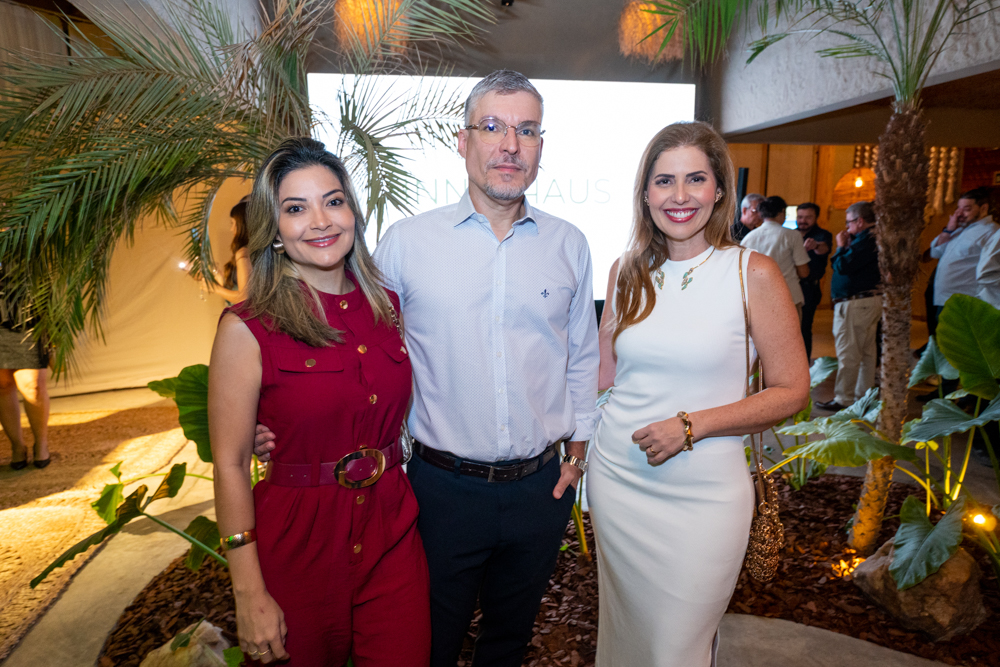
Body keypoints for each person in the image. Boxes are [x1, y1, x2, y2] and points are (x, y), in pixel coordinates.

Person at [255, 70, 599, 667]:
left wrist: (577, 454)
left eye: (526, 130)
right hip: (441, 490)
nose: (509, 144)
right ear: (463, 143)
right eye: (491, 127)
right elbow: (359, 350)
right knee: (426, 644)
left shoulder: (569, 244)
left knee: (509, 642)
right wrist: (279, 420)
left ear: (542, 146)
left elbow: (581, 355)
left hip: (542, 489)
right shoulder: (406, 245)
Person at [588, 121, 809, 666]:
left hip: (705, 494)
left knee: (675, 647)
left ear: (719, 190)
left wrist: (692, 425)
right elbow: (602, 377)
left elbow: (792, 391)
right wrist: (576, 450)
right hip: (618, 481)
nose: (680, 196)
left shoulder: (750, 273)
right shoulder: (626, 272)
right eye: (664, 181)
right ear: (645, 193)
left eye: (695, 179)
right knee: (629, 637)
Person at [209, 138, 430, 666]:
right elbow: (231, 462)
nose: (320, 221)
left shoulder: (389, 307)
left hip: (392, 529)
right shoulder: (247, 328)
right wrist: (248, 593)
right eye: (295, 208)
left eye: (333, 201)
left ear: (352, 210)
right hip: (297, 540)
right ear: (275, 231)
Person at [816, 201, 882, 412]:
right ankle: (864, 397)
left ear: (860, 221)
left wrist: (841, 246)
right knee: (866, 352)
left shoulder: (866, 240)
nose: (847, 227)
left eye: (849, 222)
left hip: (856, 304)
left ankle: (844, 398)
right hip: (867, 302)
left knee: (849, 353)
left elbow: (843, 266)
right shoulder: (871, 238)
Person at [926, 187, 998, 315]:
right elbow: (935, 253)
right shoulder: (958, 230)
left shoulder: (992, 232)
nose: (959, 214)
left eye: (966, 209)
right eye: (958, 209)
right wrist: (949, 229)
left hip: (966, 302)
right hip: (942, 298)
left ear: (983, 208)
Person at [740, 195, 811, 319]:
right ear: (782, 212)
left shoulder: (749, 238)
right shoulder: (792, 235)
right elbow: (804, 272)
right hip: (788, 295)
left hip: (758, 297)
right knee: (789, 337)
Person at [0, 315, 51, 470]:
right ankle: (17, 446)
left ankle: (41, 443)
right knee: (2, 385)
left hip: (28, 310)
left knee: (33, 386)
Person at [196, 196, 252, 304]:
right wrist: (219, 280)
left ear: (241, 225)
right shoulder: (252, 251)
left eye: (232, 224)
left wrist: (215, 288)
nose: (231, 229)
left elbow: (244, 297)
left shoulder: (244, 252)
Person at [796, 202, 833, 359]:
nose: (803, 220)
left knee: (804, 328)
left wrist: (816, 245)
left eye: (808, 217)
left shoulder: (822, 235)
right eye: (800, 217)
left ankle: (804, 366)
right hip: (791, 287)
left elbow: (824, 248)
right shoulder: (791, 234)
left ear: (816, 217)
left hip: (809, 289)